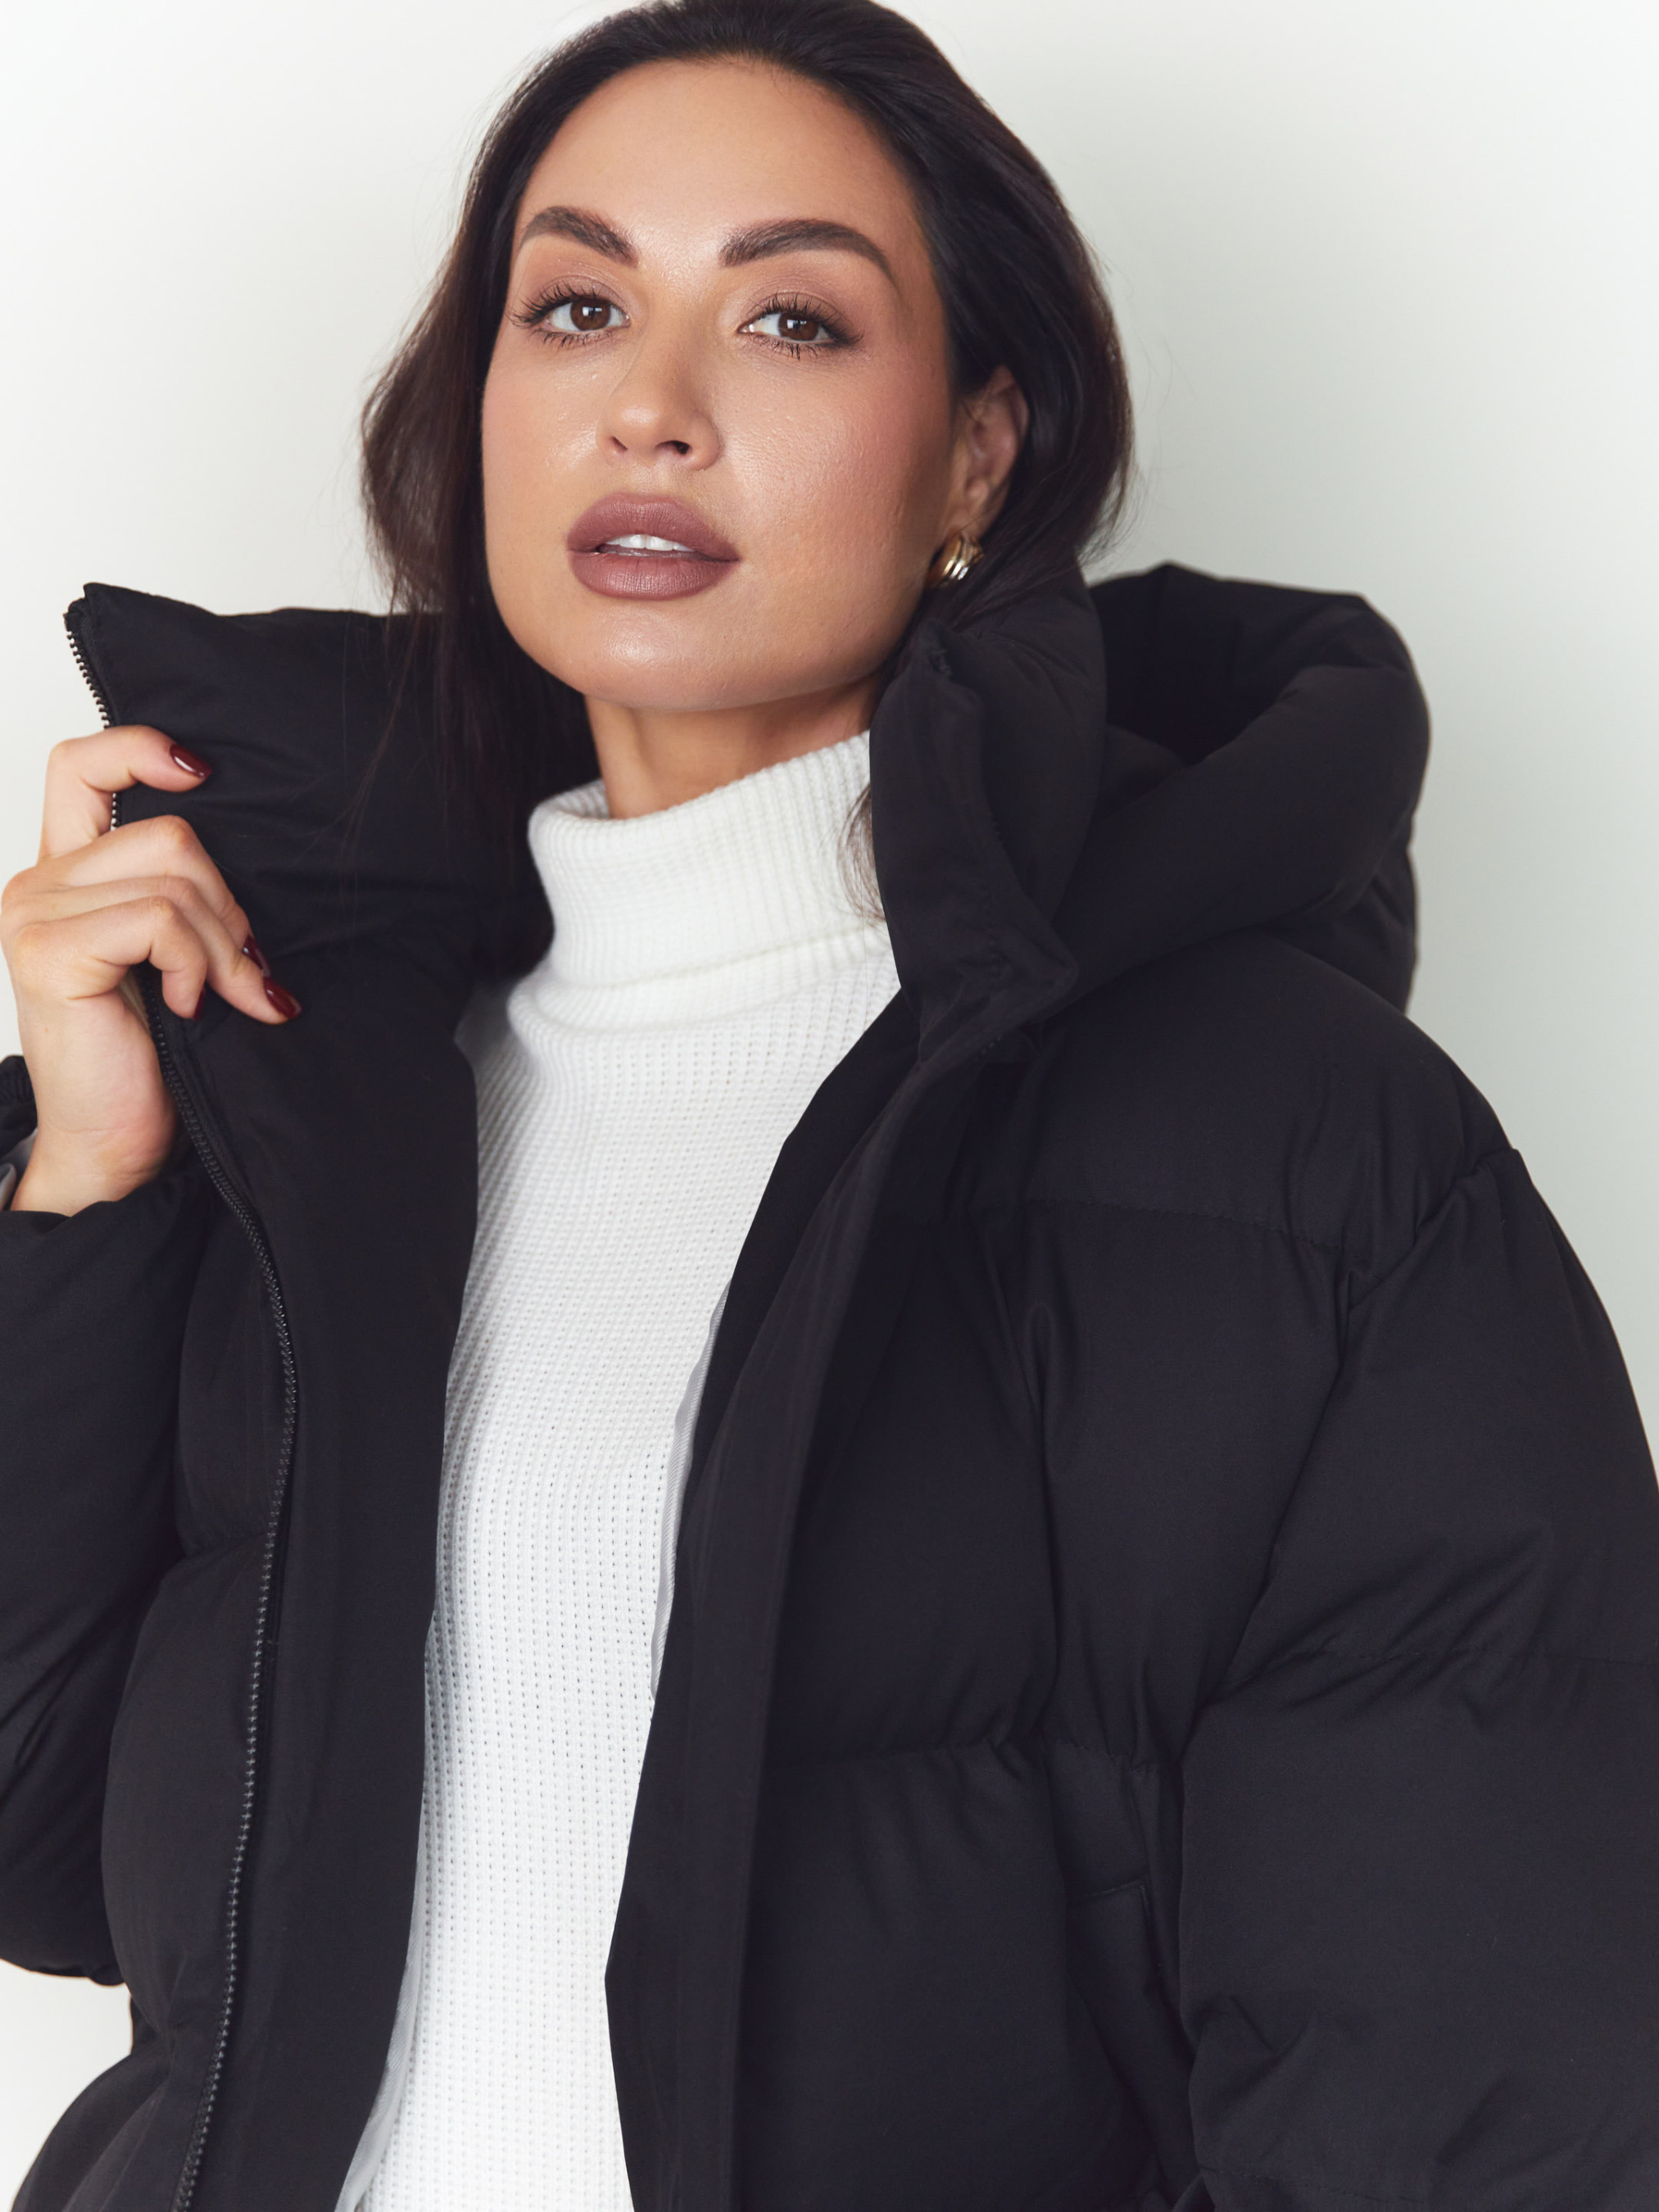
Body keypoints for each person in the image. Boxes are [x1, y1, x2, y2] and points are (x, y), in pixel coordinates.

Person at [2, 1, 1656, 2207]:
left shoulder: (1308, 1155)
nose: (651, 406)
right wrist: (93, 1186)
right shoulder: (317, 1105)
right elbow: (52, 1854)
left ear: (979, 456)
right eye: (574, 306)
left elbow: (1474, 2095)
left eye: (790, 320)